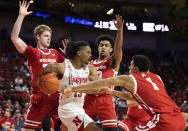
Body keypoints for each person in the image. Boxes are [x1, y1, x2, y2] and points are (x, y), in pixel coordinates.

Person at [63, 55, 186, 131]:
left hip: (163, 121)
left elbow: (100, 83)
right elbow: (135, 98)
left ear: (136, 68)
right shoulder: (157, 77)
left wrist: (73, 88)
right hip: (178, 120)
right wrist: (112, 91)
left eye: (131, 65)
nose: (129, 68)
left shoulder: (130, 78)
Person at [11, 1, 66, 130]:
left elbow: (69, 69)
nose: (49, 38)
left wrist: (68, 56)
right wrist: (21, 16)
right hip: (39, 96)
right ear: (38, 37)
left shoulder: (56, 53)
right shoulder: (33, 52)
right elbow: (14, 38)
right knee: (29, 129)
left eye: (50, 36)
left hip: (55, 96)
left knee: (66, 126)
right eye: (46, 36)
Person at [39, 41, 102, 131]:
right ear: (79, 53)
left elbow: (97, 89)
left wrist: (73, 89)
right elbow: (40, 82)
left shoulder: (90, 69)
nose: (91, 55)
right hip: (67, 109)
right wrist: (57, 87)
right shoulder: (61, 67)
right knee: (94, 129)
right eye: (88, 52)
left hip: (80, 108)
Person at [83, 14, 124, 131]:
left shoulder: (112, 62)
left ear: (111, 49)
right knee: (81, 128)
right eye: (101, 45)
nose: (103, 47)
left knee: (111, 130)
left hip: (105, 99)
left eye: (106, 45)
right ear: (98, 48)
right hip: (89, 99)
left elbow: (118, 49)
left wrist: (120, 31)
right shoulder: (90, 63)